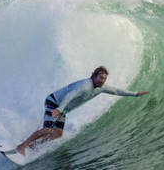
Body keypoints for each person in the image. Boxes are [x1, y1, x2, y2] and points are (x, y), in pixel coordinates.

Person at [15, 66, 148, 155]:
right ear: (94, 76)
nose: (102, 80)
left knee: (58, 134)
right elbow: (70, 95)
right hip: (54, 102)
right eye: (100, 77)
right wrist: (59, 109)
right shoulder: (85, 85)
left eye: (104, 78)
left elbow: (116, 91)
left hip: (62, 109)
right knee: (47, 129)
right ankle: (22, 146)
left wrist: (135, 94)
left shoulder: (101, 87)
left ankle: (34, 144)